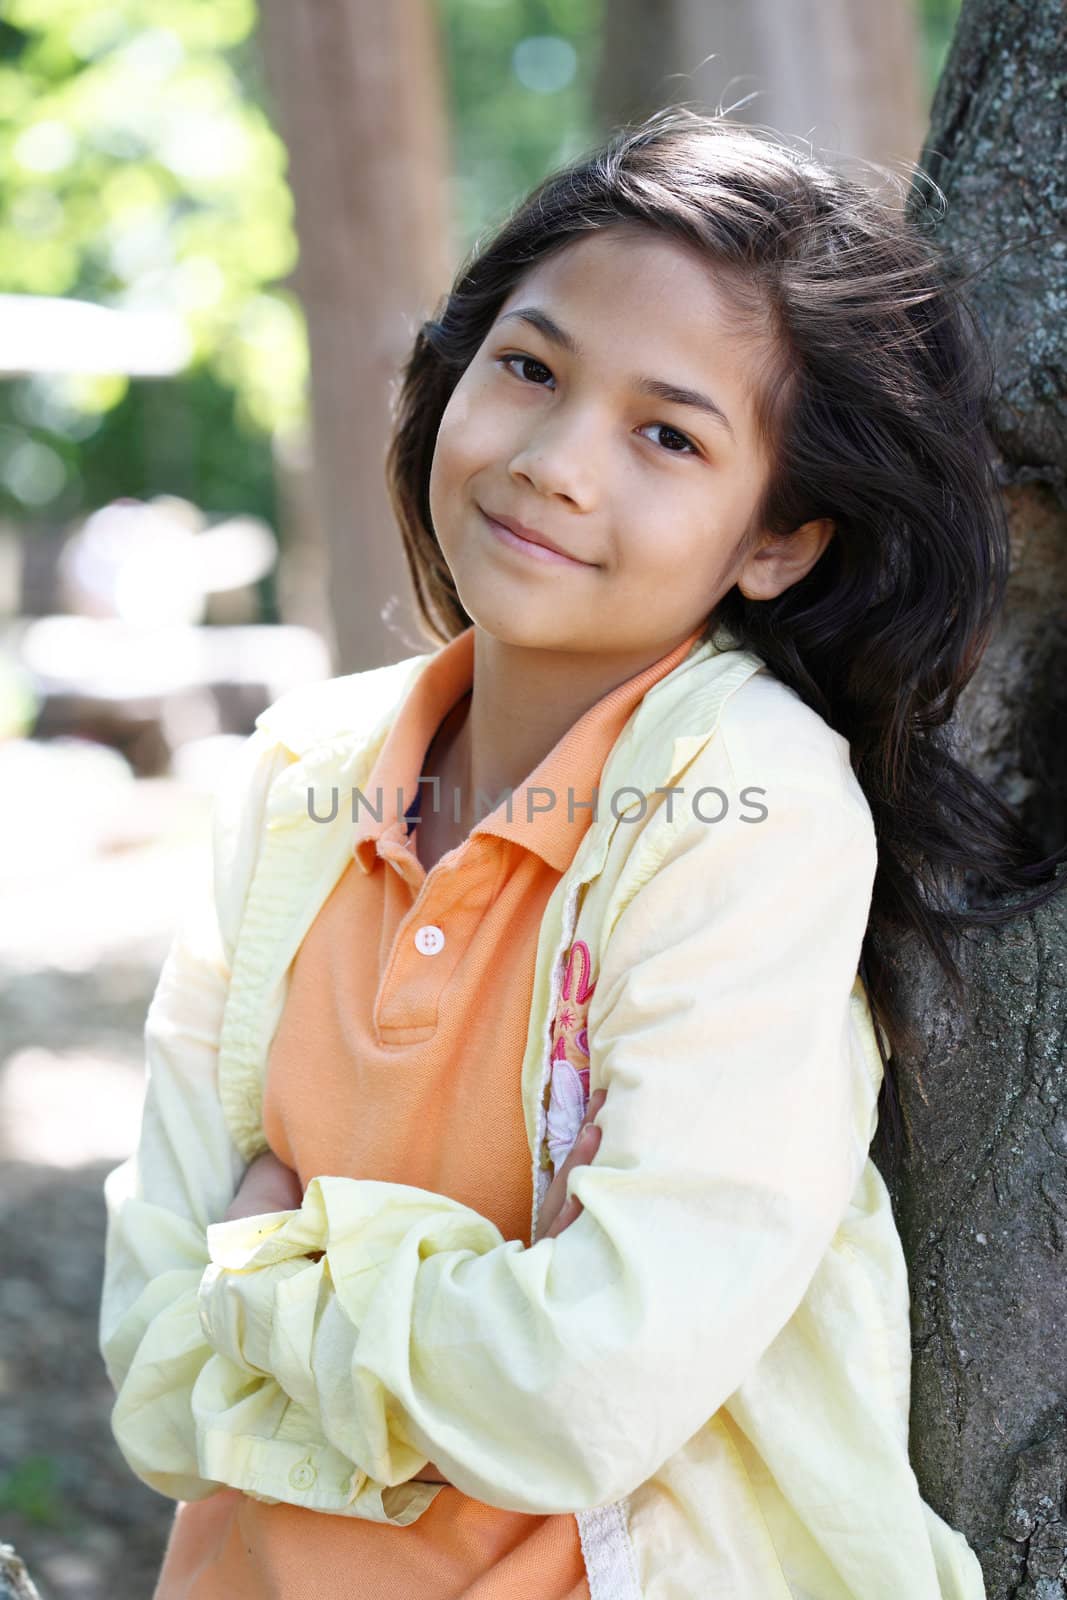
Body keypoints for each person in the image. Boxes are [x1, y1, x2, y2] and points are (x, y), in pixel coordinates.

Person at [98, 108, 1065, 1599]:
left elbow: (582, 1394)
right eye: (530, 370)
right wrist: (422, 1310)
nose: (553, 462)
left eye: (667, 435)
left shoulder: (748, 801)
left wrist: (274, 1269)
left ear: (779, 540)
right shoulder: (299, 774)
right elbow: (148, 1361)